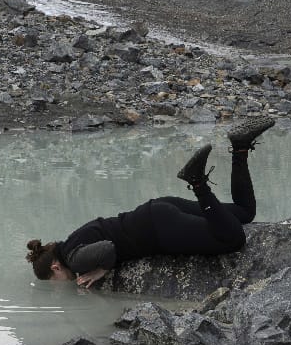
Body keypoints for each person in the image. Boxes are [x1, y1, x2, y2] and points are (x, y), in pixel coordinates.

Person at [26, 118, 275, 288]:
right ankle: (240, 147)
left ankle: (198, 182)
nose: (59, 286)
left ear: (56, 268)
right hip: (158, 209)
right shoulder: (71, 241)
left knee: (234, 239)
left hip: (159, 229)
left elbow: (108, 249)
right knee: (244, 213)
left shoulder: (75, 259)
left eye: (53, 281)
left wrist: (101, 270)